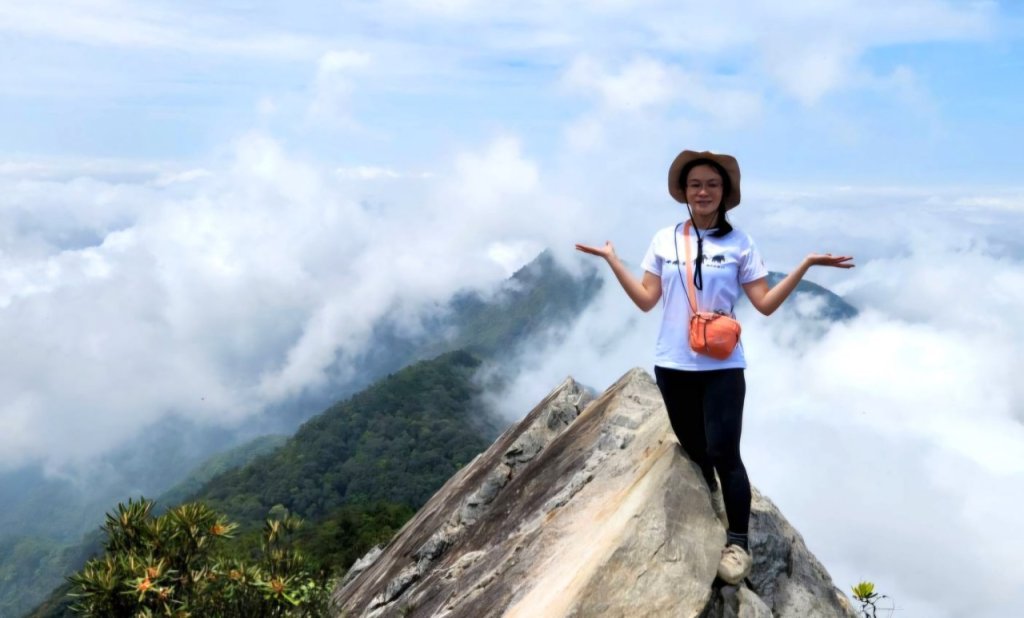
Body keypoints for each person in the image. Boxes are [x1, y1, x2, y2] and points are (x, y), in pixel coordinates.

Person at [575, 150, 854, 585]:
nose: (703, 191)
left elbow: (763, 305)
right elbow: (647, 300)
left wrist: (804, 266)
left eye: (711, 185)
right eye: (695, 185)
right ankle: (704, 516)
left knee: (725, 454)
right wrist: (614, 261)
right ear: (684, 193)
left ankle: (737, 544)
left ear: (725, 193)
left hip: (723, 367)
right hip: (673, 364)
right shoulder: (664, 240)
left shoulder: (740, 244)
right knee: (696, 452)